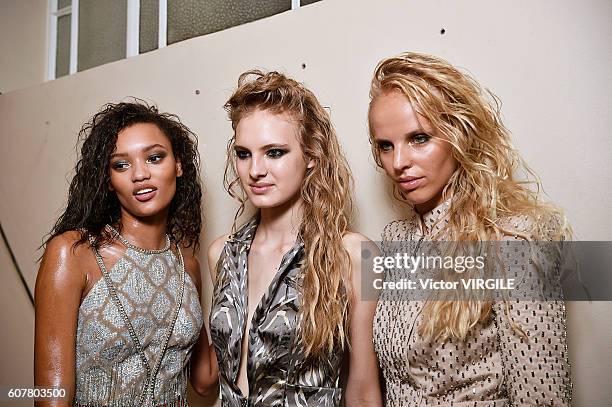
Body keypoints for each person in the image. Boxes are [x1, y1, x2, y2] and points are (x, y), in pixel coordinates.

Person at [367, 52, 572, 406]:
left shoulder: (517, 238)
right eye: (386, 146)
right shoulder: (395, 239)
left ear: (459, 134)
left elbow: (542, 397)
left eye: (419, 138)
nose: (398, 162)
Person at [207, 70, 382, 406]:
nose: (255, 170)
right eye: (244, 154)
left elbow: (362, 389)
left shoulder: (356, 256)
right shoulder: (222, 254)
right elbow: (225, 386)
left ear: (312, 156)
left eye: (274, 152)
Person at [34, 101, 218, 406]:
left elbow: (204, 380)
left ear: (179, 165)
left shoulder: (187, 265)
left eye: (155, 157)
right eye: (121, 164)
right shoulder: (74, 254)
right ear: (108, 180)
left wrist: (249, 292)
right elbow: (51, 398)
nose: (140, 174)